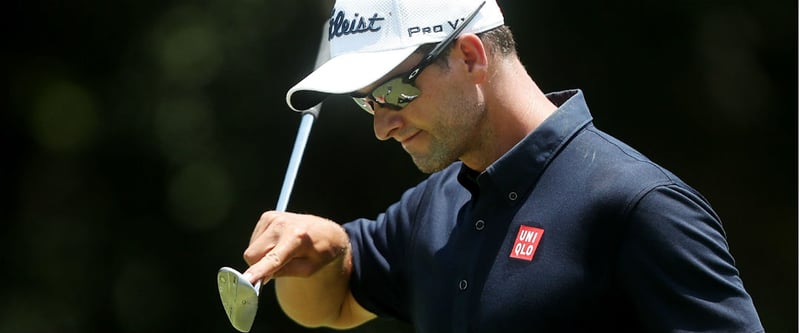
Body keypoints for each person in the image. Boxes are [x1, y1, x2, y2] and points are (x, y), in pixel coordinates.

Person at [242, 0, 764, 331]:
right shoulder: (438, 204)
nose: (382, 125)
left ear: (471, 56)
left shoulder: (637, 206)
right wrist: (328, 250)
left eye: (395, 91)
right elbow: (329, 308)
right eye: (366, 102)